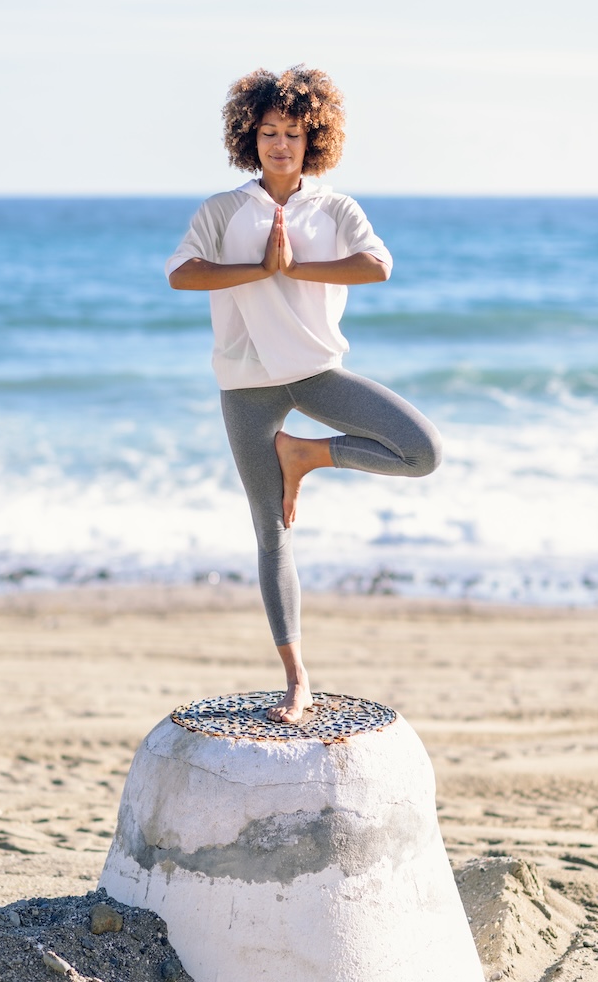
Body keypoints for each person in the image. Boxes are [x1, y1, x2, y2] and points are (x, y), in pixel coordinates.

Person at [166, 66, 442, 724]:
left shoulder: (334, 207)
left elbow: (377, 265)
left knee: (419, 451)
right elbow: (181, 274)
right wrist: (256, 271)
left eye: (293, 132)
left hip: (316, 372)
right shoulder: (224, 210)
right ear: (249, 136)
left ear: (313, 137)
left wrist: (292, 268)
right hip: (245, 383)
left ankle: (308, 456)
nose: (280, 144)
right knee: (271, 534)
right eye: (267, 132)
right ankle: (296, 681)